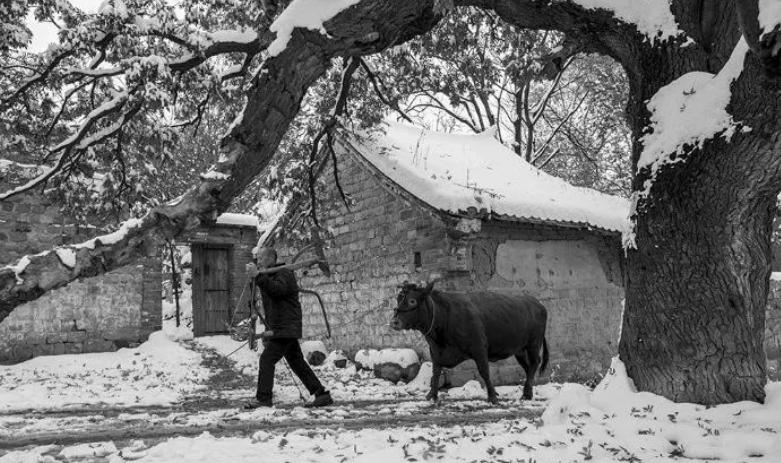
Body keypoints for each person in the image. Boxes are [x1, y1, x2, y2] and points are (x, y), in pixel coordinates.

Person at [243, 246, 334, 409]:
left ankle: (263, 398)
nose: (259, 261)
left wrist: (258, 276)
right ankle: (321, 394)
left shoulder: (284, 273)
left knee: (267, 359)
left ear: (271, 258)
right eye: (258, 259)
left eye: (261, 258)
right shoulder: (268, 275)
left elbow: (277, 290)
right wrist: (255, 278)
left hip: (285, 326)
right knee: (296, 361)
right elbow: (264, 293)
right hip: (280, 327)